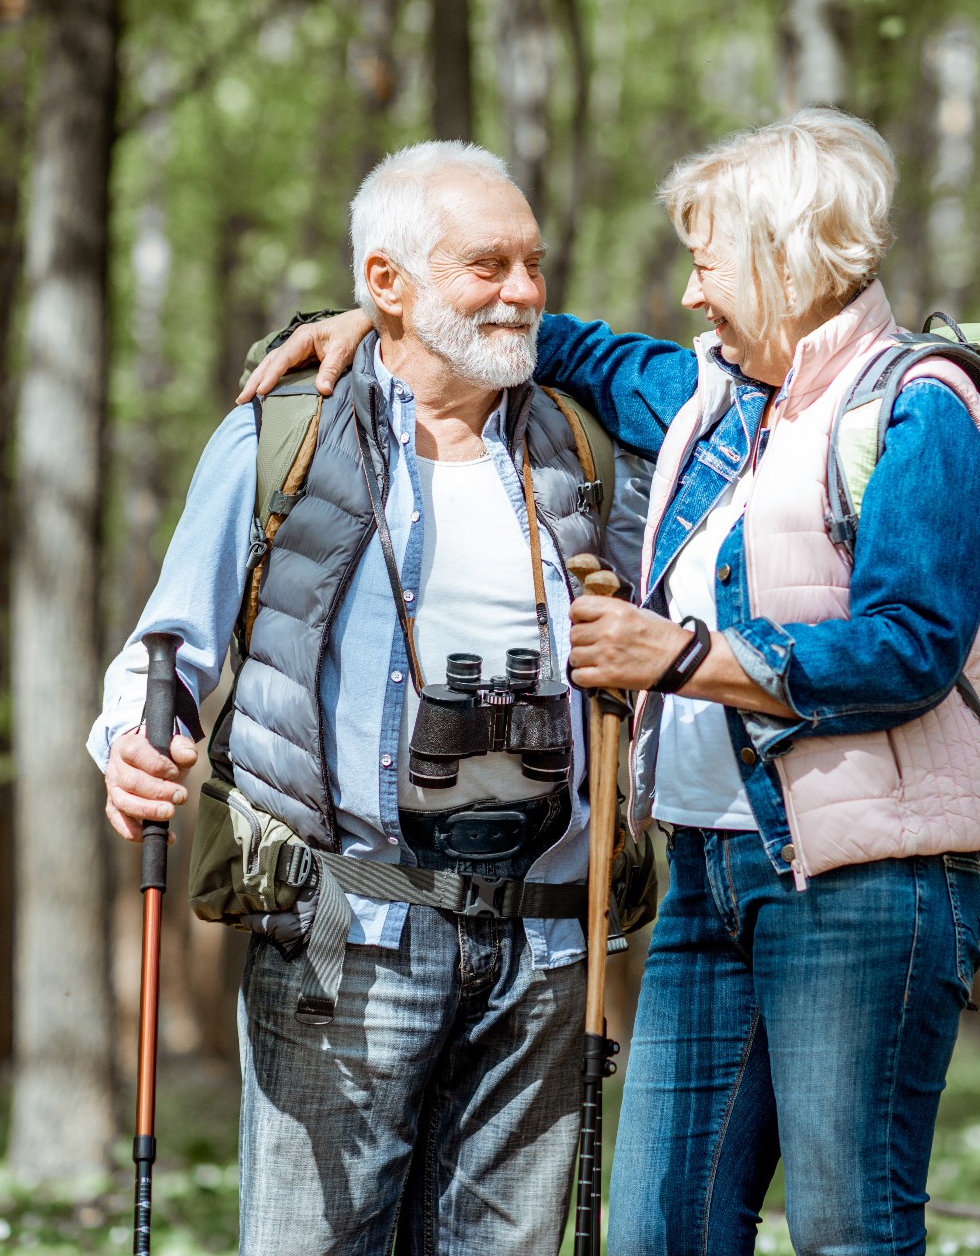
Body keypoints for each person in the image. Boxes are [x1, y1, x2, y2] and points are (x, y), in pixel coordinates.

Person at [242, 108, 980, 1256]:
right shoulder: (712, 400)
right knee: (660, 1231)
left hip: (863, 887)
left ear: (783, 257)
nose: (694, 296)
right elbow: (549, 341)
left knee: (849, 1230)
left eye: (708, 263)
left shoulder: (920, 409)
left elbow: (910, 649)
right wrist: (382, 315)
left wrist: (683, 656)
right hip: (708, 872)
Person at [92, 140, 629, 1255]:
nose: (525, 291)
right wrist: (130, 746)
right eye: (489, 265)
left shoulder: (578, 445)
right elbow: (168, 645)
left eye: (534, 263)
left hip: (540, 949)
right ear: (385, 283)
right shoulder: (280, 437)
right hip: (351, 934)